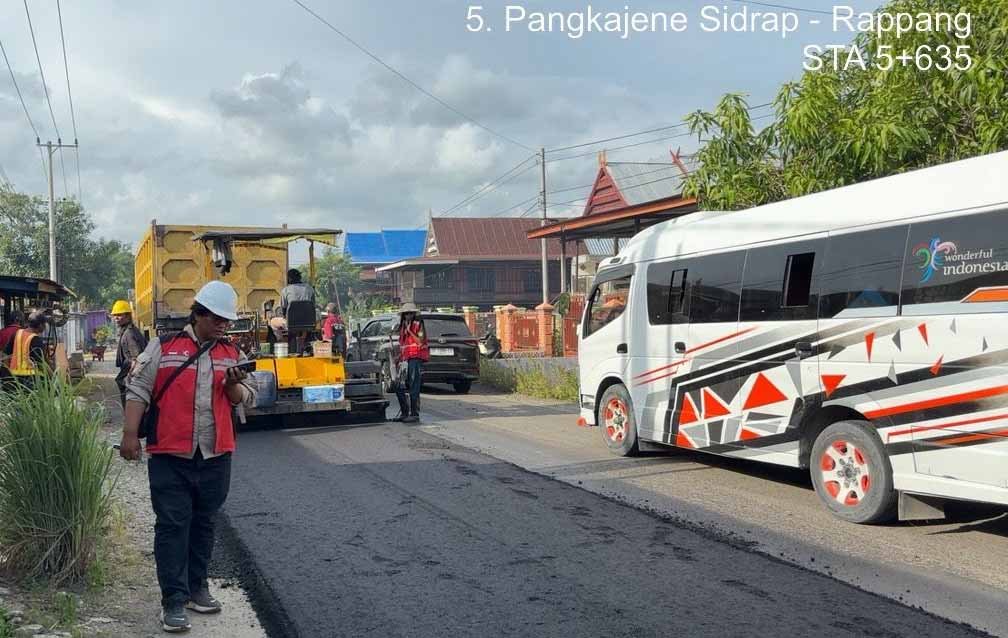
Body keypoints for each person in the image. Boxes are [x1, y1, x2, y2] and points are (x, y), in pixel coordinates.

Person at [120, 281, 256, 634]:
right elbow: (138, 390)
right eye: (217, 318)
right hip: (170, 455)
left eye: (227, 319)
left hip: (215, 455)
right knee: (172, 526)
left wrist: (232, 386)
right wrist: (129, 435)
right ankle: (173, 601)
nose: (224, 325)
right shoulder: (164, 347)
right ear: (198, 314)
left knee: (205, 523)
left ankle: (198, 588)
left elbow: (246, 398)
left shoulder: (232, 352)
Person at [393, 303, 428, 423]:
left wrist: (410, 332)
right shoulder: (402, 327)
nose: (408, 316)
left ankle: (414, 414)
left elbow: (420, 342)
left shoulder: (418, 325)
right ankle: (404, 413)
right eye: (406, 314)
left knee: (414, 386)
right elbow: (403, 345)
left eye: (410, 313)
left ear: (413, 314)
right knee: (398, 386)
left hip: (415, 359)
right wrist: (399, 356)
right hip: (405, 360)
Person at [111, 299, 148, 409]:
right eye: (115, 315)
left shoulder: (129, 334)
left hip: (132, 371)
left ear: (127, 316)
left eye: (119, 315)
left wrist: (130, 377)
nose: (116, 318)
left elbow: (136, 359)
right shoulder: (129, 330)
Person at [4, 311, 48, 388]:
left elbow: (5, 354)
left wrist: (7, 374)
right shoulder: (36, 339)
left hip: (14, 379)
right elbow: (41, 364)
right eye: (44, 324)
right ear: (40, 325)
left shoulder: (17, 334)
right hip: (31, 381)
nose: (45, 327)